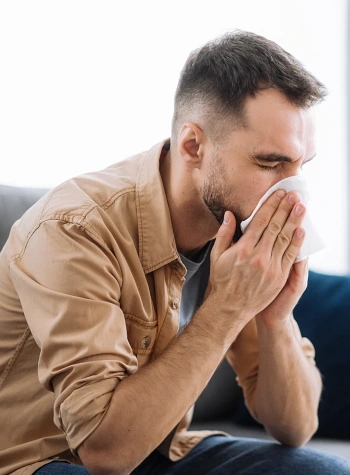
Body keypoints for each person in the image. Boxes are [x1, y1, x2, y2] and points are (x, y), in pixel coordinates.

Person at [0, 30, 349, 475]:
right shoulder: (75, 227)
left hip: (157, 452)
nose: (293, 196)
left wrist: (274, 317)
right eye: (270, 164)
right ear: (193, 146)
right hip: (43, 460)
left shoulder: (238, 228)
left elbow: (295, 428)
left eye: (302, 167)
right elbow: (104, 454)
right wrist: (227, 308)